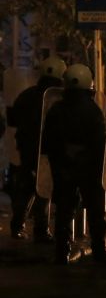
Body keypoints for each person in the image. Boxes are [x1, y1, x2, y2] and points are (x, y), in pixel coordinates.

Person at [42, 64, 106, 264]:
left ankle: (61, 252)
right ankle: (99, 252)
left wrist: (63, 158)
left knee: (64, 211)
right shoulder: (93, 111)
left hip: (64, 168)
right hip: (89, 170)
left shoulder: (57, 110)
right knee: (96, 212)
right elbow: (100, 143)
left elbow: (48, 142)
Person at [8, 56, 66, 242]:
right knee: (44, 187)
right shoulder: (61, 97)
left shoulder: (27, 94)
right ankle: (41, 230)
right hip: (50, 149)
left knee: (26, 187)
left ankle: (18, 225)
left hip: (27, 148)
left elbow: (13, 119)